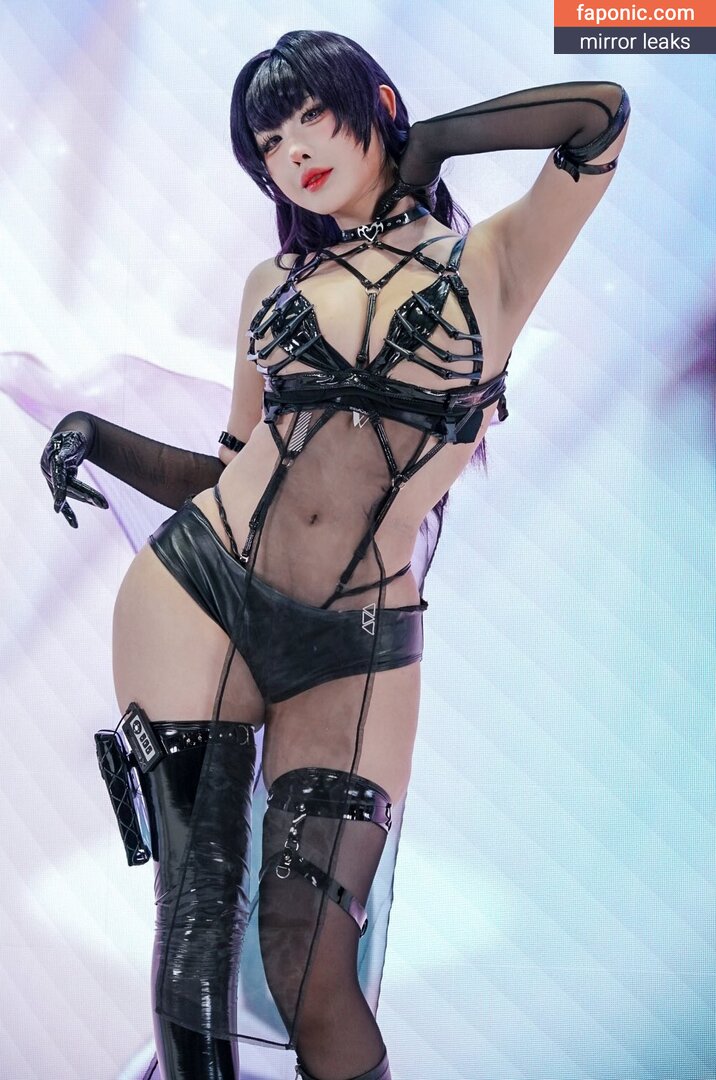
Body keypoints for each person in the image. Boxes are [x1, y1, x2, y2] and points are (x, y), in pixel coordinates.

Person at [40, 30, 630, 1080]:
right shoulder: (272, 281)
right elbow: (233, 470)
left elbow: (601, 112)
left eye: (314, 117)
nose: (296, 151)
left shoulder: (494, 259)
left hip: (356, 637)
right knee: (196, 918)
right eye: (271, 142)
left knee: (308, 955)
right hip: (200, 590)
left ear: (377, 106)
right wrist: (101, 436)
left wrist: (430, 143)